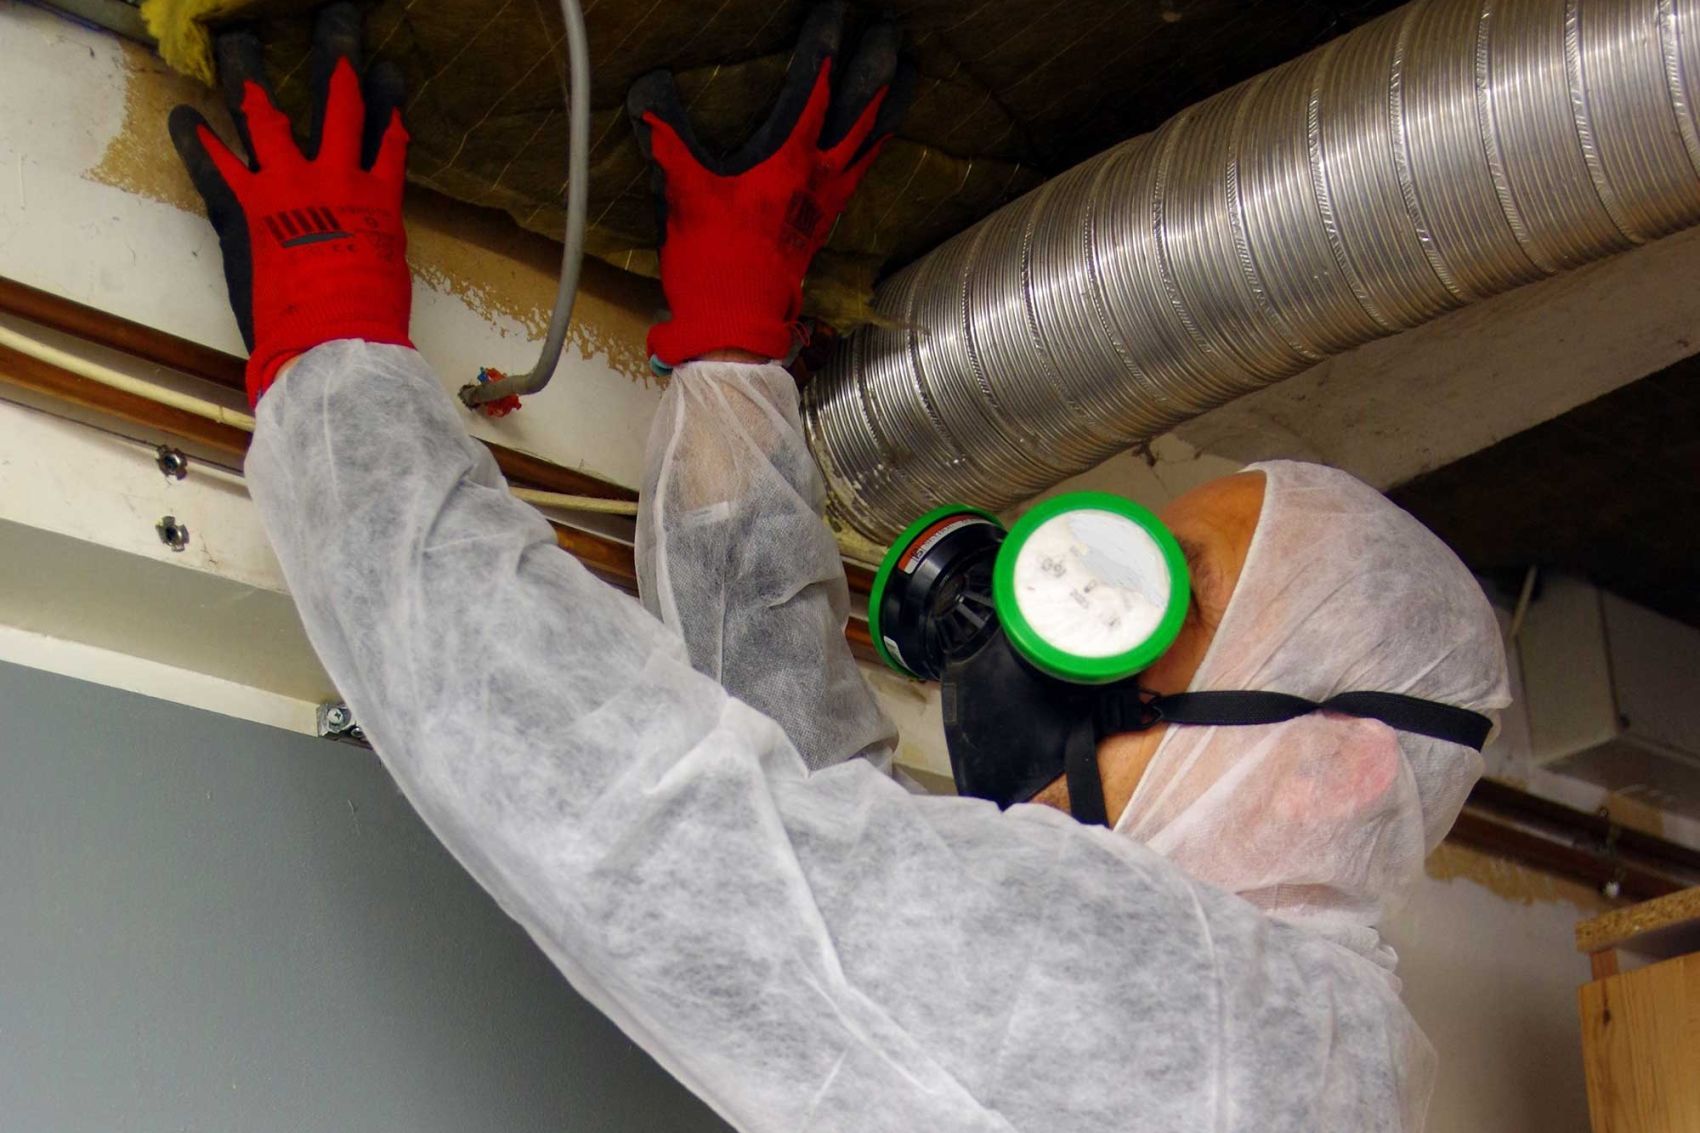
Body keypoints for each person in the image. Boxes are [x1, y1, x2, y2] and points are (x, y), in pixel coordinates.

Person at [168, 5, 1510, 1130]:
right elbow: (818, 847)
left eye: (1183, 595)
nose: (1093, 622)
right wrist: (734, 361)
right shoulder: (1262, 1033)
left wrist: (341, 375)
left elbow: (672, 837)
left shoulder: (1213, 1020)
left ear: (1341, 758)